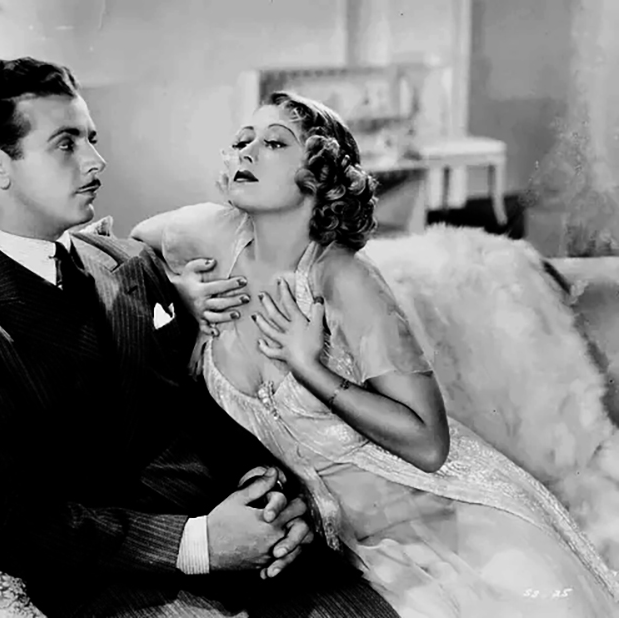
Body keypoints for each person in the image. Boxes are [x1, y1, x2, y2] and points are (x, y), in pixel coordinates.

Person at [0, 57, 401, 618]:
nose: (96, 160)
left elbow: (196, 403)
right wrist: (199, 545)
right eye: (66, 144)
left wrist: (275, 493)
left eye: (91, 138)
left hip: (258, 544)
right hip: (123, 582)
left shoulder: (131, 261)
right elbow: (11, 521)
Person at [130, 90, 619, 617]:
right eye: (241, 140)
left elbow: (429, 445)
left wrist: (309, 369)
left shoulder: (344, 279)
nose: (245, 152)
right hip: (339, 542)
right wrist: (182, 290)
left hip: (435, 518)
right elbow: (129, 242)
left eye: (274, 143)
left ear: (317, 177)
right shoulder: (211, 232)